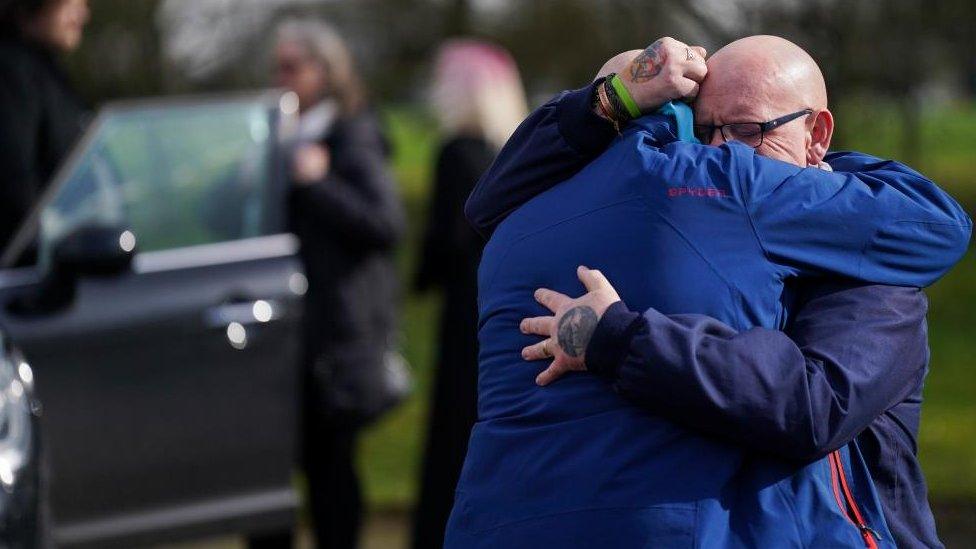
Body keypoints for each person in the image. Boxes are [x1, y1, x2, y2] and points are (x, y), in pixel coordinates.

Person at [447, 36, 971, 548]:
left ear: (817, 135)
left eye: (746, 130)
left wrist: (619, 338)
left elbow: (815, 403)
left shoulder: (516, 227)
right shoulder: (713, 195)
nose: (722, 151)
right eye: (703, 131)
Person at [250, 19, 405, 549]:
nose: (279, 77)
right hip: (283, 330)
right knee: (266, 467)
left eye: (291, 66)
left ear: (326, 71)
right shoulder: (277, 135)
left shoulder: (351, 134)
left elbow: (384, 224)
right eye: (276, 66)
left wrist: (318, 183)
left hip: (332, 338)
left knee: (330, 467)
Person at [411, 39, 527, 549]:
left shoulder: (455, 153)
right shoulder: (513, 158)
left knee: (452, 440)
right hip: (506, 309)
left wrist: (418, 279)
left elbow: (445, 242)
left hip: (463, 315)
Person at [0, 0, 89, 253]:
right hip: (36, 269)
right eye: (71, 3)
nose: (82, 14)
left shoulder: (47, 72)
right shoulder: (12, 73)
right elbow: (15, 188)